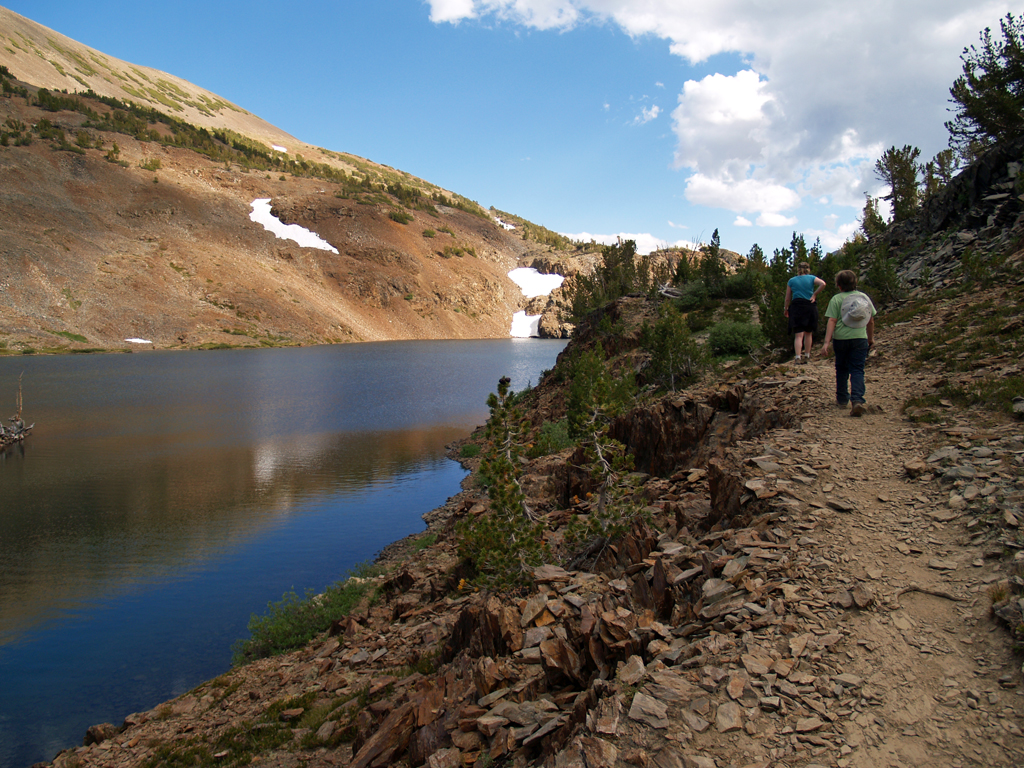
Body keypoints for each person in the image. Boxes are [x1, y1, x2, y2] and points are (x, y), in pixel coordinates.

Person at [820, 270, 876, 417]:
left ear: (839, 285)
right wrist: (870, 338)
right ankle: (857, 400)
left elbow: (832, 320)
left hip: (841, 339)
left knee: (842, 368)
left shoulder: (836, 299)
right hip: (860, 337)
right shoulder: (864, 297)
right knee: (857, 369)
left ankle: (842, 398)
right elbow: (870, 320)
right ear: (855, 283)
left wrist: (826, 342)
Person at [784, 262, 826, 364]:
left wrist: (786, 308)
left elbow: (788, 297)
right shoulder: (812, 278)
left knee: (798, 335)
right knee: (808, 333)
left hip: (797, 306)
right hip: (809, 305)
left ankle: (798, 357)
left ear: (798, 269)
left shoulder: (792, 281)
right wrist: (814, 294)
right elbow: (823, 284)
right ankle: (807, 355)